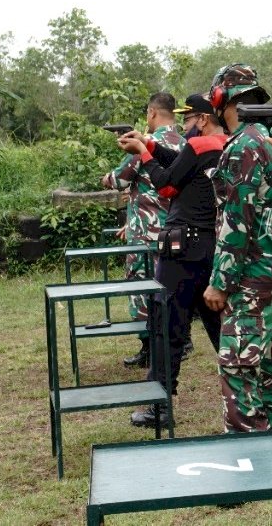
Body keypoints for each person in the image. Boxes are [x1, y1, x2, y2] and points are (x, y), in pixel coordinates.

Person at [119, 94, 226, 429]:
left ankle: (160, 406)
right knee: (222, 328)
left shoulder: (199, 146)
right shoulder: (226, 145)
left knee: (167, 327)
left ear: (203, 119)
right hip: (211, 247)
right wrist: (148, 144)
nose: (185, 126)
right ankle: (248, 394)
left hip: (181, 251)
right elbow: (179, 161)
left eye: (189, 120)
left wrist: (142, 155)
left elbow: (166, 182)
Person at [201, 64, 272, 432]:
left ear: (222, 97)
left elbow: (236, 222)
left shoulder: (242, 147)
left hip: (252, 276)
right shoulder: (271, 143)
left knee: (239, 365)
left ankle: (249, 453)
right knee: (271, 362)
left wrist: (220, 282)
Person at [103, 92, 189, 368]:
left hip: (146, 234)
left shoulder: (146, 143)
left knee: (141, 288)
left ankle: (150, 348)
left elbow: (118, 180)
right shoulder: (186, 144)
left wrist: (105, 177)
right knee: (170, 287)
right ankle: (179, 340)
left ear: (152, 113)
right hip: (175, 229)